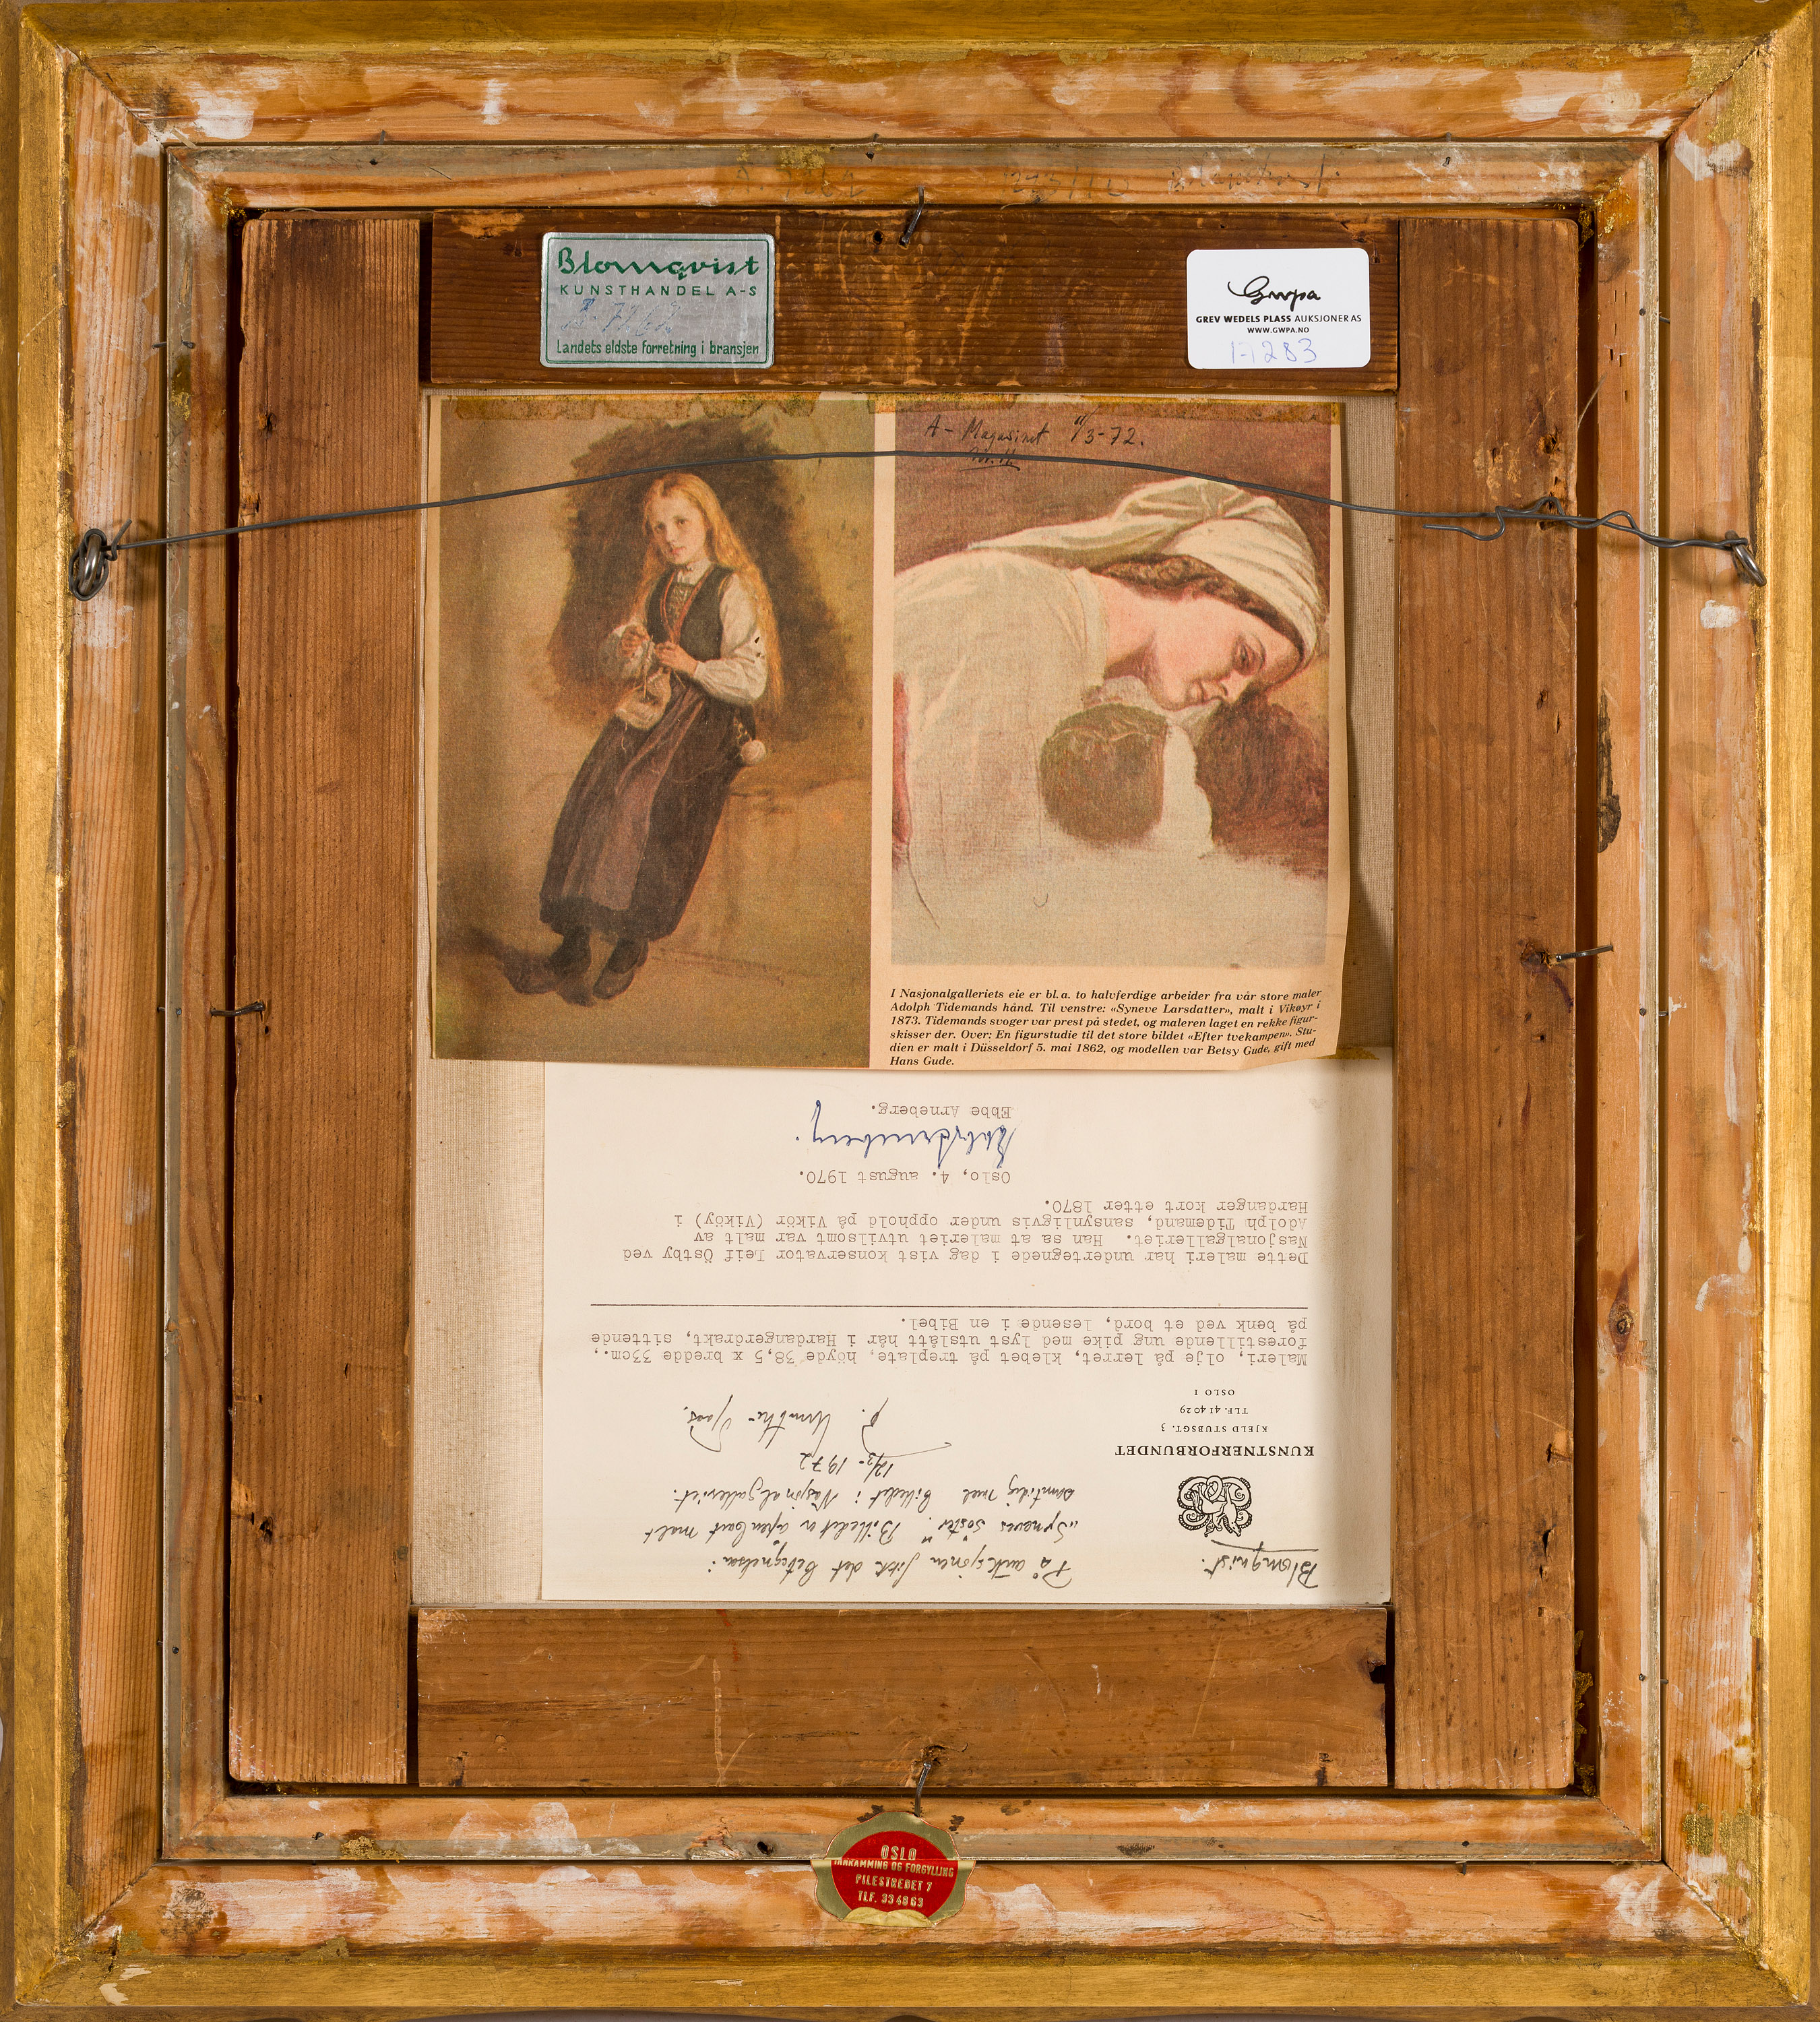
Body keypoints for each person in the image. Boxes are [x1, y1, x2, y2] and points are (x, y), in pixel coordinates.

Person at [892, 476, 1329, 960]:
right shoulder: (1016, 614)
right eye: (1243, 657)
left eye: (1251, 688)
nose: (1232, 693)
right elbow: (964, 903)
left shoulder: (1102, 687)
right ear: (1199, 583)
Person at [525, 474, 777, 1001]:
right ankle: (574, 942)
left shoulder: (730, 587)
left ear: (707, 522)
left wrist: (693, 666)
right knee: (595, 793)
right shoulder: (658, 588)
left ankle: (631, 940)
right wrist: (629, 648)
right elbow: (632, 659)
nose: (670, 537)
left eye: (681, 522)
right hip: (654, 708)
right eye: (659, 528)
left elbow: (751, 676)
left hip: (705, 721)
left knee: (643, 797)